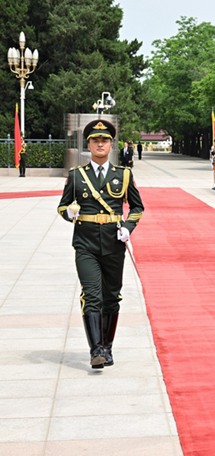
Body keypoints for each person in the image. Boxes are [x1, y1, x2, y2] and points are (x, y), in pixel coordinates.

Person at [57, 119, 144, 369]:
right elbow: (62, 206)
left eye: (104, 140)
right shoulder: (76, 176)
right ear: (89, 145)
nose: (100, 144)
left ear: (110, 144)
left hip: (113, 244)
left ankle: (107, 347)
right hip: (85, 243)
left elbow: (137, 207)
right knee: (91, 295)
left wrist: (127, 227)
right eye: (95, 140)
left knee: (112, 297)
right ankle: (95, 349)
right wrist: (69, 213)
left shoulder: (124, 175)